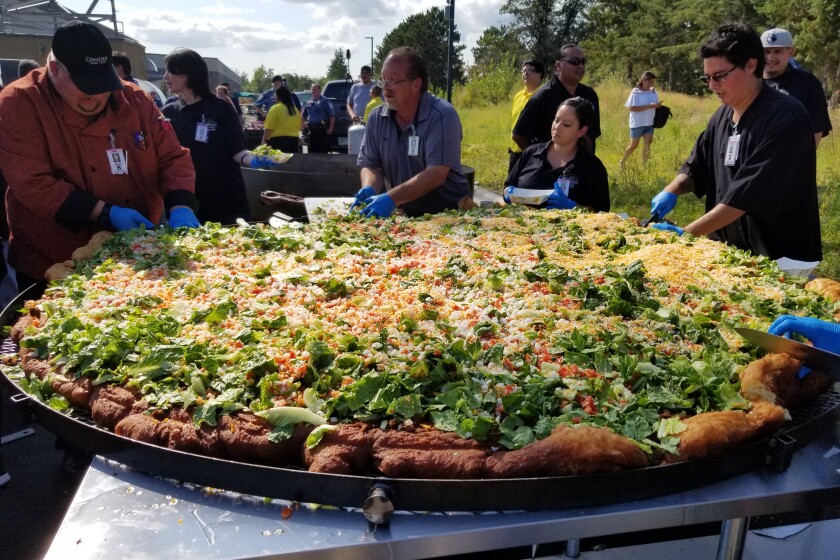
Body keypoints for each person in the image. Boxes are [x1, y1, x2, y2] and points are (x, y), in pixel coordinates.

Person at [0, 21, 199, 288]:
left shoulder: (136, 99)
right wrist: (107, 213)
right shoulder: (19, 102)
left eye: (102, 82)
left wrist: (181, 206)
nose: (96, 94)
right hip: (54, 257)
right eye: (85, 85)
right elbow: (33, 183)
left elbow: (173, 157)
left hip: (141, 259)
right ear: (55, 69)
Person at [648, 22, 821, 269]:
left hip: (780, 258)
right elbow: (698, 167)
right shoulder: (722, 116)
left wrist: (686, 234)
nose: (712, 85)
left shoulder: (786, 117)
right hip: (729, 251)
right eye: (707, 77)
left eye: (719, 76)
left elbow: (747, 195)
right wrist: (672, 190)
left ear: (751, 65)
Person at [354, 47, 471, 218]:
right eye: (383, 80)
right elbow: (372, 164)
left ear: (416, 84)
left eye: (393, 81)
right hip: (403, 214)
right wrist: (369, 186)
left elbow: (436, 174)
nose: (386, 88)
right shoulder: (376, 118)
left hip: (449, 217)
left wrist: (390, 198)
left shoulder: (442, 116)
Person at [162, 48, 266, 225]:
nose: (166, 76)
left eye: (171, 71)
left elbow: (237, 151)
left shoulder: (221, 109)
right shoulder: (169, 113)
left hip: (226, 197)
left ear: (189, 73)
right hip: (189, 200)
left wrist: (257, 160)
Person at [505, 97, 609, 212]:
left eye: (566, 124)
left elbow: (602, 211)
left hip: (570, 229)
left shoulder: (592, 167)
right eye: (556, 120)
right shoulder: (531, 153)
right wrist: (508, 192)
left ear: (581, 131)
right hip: (522, 226)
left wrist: (573, 206)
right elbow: (509, 185)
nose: (557, 127)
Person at [512, 44, 601, 153]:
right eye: (575, 61)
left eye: (583, 62)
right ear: (558, 66)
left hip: (583, 165)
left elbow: (592, 135)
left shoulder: (590, 95)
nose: (581, 66)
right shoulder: (543, 96)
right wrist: (541, 159)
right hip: (553, 168)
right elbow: (519, 135)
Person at [761, 28, 832, 148]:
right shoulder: (750, 82)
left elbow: (817, 128)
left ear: (791, 52)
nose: (770, 58)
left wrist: (801, 161)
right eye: (766, 52)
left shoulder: (808, 84)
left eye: (778, 51)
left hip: (792, 160)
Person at [619, 71, 661, 170]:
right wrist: (650, 106)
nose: (651, 84)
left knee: (648, 144)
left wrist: (658, 106)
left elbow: (655, 105)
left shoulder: (653, 92)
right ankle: (623, 161)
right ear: (642, 80)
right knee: (634, 145)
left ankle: (645, 167)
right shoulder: (636, 92)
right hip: (637, 123)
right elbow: (632, 108)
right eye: (649, 81)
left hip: (649, 123)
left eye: (652, 82)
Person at [508, 59, 545, 172]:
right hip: (515, 149)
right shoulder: (518, 96)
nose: (525, 73)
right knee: (512, 185)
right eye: (523, 71)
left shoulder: (543, 95)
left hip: (533, 149)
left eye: (529, 70)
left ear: (540, 74)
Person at [262, 87, 302, 152]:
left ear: (279, 96)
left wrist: (263, 141)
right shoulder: (295, 110)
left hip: (278, 142)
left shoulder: (275, 108)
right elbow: (300, 125)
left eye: (275, 94)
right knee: (291, 161)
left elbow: (269, 128)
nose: (274, 96)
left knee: (279, 161)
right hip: (294, 142)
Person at [301, 83, 335, 153]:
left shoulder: (326, 101)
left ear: (319, 90)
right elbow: (302, 115)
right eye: (312, 89)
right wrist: (304, 123)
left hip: (322, 130)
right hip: (311, 130)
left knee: (322, 151)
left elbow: (332, 116)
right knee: (311, 151)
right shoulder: (308, 101)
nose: (313, 91)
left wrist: (331, 128)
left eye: (314, 89)